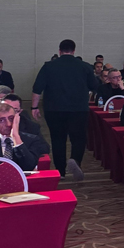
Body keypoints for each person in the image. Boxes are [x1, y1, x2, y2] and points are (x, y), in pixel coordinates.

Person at [31, 39, 98, 180]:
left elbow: (37, 88)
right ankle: (75, 160)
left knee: (57, 139)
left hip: (54, 109)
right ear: (74, 51)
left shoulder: (48, 66)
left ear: (59, 51)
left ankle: (60, 171)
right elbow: (94, 86)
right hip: (79, 109)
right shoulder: (85, 66)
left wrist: (34, 107)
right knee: (79, 138)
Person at [0, 102, 50, 171]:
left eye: (11, 119)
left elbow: (29, 167)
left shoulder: (32, 140)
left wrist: (15, 137)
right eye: (1, 120)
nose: (8, 124)